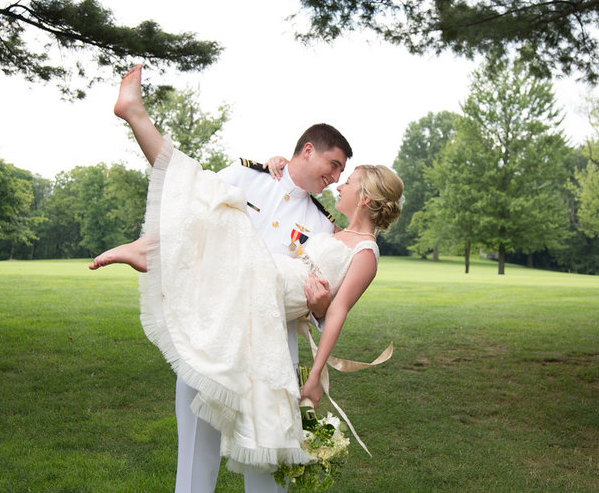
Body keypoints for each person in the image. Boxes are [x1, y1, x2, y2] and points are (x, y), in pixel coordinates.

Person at [91, 65, 403, 492]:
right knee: (196, 455)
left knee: (265, 460)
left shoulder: (326, 225)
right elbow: (193, 212)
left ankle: (151, 249)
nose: (335, 180)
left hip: (269, 342)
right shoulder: (246, 176)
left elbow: (328, 297)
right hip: (215, 333)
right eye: (333, 166)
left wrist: (318, 309)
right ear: (307, 150)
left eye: (343, 175)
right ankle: (150, 237)